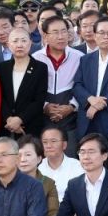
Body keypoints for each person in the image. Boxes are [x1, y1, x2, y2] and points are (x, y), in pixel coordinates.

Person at [32, 15, 83, 152]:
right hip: (43, 119)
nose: (60, 37)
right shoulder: (35, 58)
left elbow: (85, 86)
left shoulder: (79, 57)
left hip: (71, 120)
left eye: (63, 31)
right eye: (55, 32)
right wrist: (44, 106)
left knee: (70, 156)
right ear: (45, 36)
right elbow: (31, 90)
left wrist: (72, 106)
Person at [0, 27, 48, 137]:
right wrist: (9, 119)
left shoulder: (40, 68)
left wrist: (20, 119)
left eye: (24, 41)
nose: (19, 45)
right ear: (8, 44)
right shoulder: (3, 67)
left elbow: (39, 100)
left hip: (30, 126)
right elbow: (0, 97)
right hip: (6, 126)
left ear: (30, 43)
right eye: (15, 41)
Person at [16, 135, 59, 216]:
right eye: (19, 155)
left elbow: (52, 214)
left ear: (39, 158)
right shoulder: (7, 180)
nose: (22, 159)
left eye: (28, 155)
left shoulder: (48, 183)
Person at [38, 126, 84, 202]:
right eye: (45, 142)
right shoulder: (37, 167)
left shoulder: (77, 167)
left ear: (64, 145)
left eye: (53, 141)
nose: (48, 145)